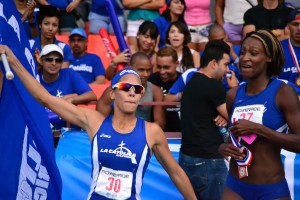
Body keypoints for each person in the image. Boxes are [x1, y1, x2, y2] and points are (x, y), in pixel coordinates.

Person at [1, 44, 197, 199]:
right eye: (125, 87)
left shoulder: (151, 131)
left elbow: (176, 173)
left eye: (137, 89)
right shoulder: (94, 121)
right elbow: (44, 97)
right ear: (112, 93)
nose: (131, 92)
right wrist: (13, 61)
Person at [218, 29, 300, 199]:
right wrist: (224, 147)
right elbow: (232, 137)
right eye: (243, 52)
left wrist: (258, 129)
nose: (245, 58)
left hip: (271, 189)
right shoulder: (233, 94)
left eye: (253, 53)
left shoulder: (283, 92)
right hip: (235, 185)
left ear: (269, 57)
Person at [179, 39, 231, 199]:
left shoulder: (192, 81)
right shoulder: (212, 85)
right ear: (214, 63)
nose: (227, 70)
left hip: (187, 157)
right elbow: (237, 117)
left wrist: (224, 117)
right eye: (226, 64)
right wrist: (234, 88)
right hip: (208, 160)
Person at [37, 44, 96, 145]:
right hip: (42, 134)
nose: (54, 63)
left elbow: (92, 95)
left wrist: (72, 100)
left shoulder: (69, 74)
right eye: (49, 59)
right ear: (42, 61)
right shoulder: (35, 79)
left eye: (58, 60)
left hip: (68, 135)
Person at [97, 52, 166, 129]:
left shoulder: (156, 91)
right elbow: (99, 120)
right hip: (116, 132)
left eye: (148, 70)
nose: (146, 74)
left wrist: (139, 132)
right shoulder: (113, 90)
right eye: (141, 70)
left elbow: (160, 123)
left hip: (143, 135)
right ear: (130, 68)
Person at [148, 46, 181, 132]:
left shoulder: (184, 81)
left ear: (177, 64)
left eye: (166, 67)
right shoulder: (151, 81)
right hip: (155, 133)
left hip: (181, 134)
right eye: (159, 67)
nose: (162, 72)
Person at [279, 8, 300, 86]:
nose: (299, 29)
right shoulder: (277, 49)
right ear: (288, 26)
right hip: (285, 95)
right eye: (295, 24)